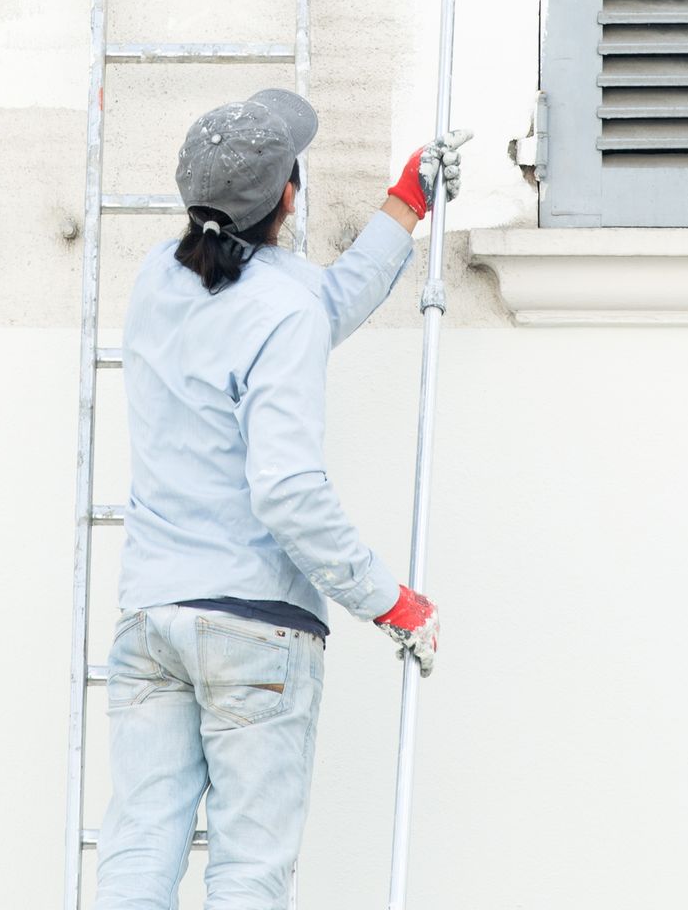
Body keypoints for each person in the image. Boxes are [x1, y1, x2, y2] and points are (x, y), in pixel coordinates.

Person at [94, 87, 465, 909]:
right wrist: (388, 601)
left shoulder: (156, 279)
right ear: (288, 198)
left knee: (136, 851)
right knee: (250, 872)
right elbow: (289, 489)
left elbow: (319, 302)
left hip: (151, 619)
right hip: (254, 630)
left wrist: (405, 206)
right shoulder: (284, 306)